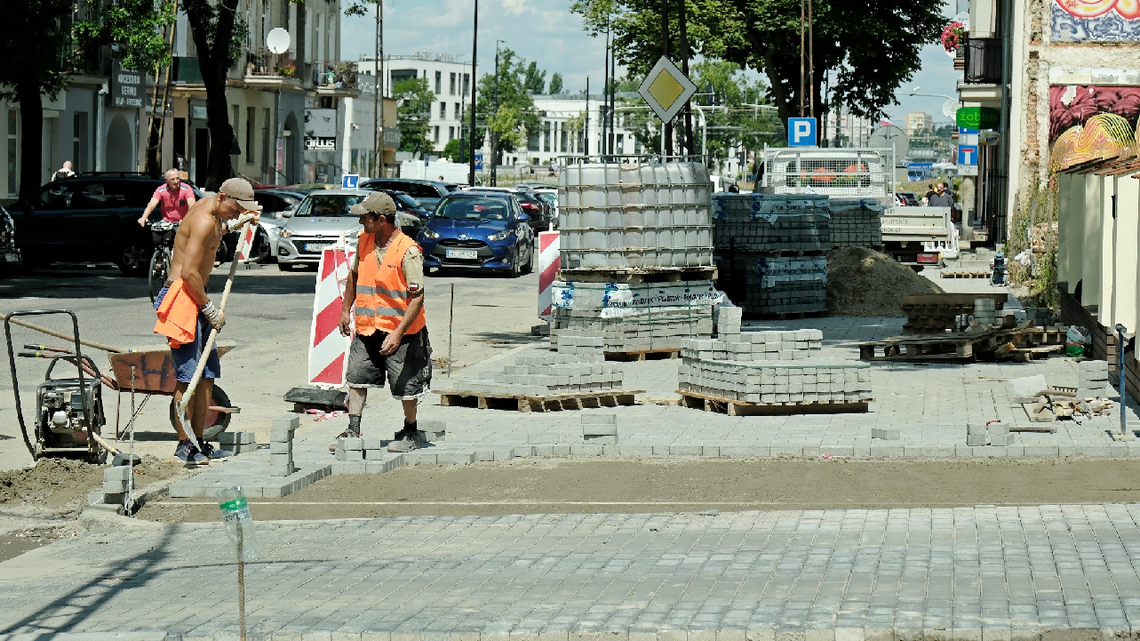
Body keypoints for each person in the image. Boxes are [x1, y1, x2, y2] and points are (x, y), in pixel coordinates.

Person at [153, 178, 261, 464]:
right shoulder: (202, 219)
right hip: (182, 296)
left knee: (207, 372)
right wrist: (209, 308)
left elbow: (218, 230)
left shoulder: (215, 214)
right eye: (236, 208)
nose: (237, 213)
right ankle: (184, 445)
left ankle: (199, 440)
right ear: (223, 197)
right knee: (189, 374)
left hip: (196, 295)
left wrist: (238, 224)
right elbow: (189, 272)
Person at [335, 191, 432, 453]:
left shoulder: (407, 250)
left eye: (365, 217)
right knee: (356, 376)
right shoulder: (364, 241)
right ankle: (353, 429)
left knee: (406, 384)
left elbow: (417, 296)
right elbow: (354, 277)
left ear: (381, 220)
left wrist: (398, 334)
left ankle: (410, 431)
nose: (360, 222)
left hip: (402, 331)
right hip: (368, 326)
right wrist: (346, 311)